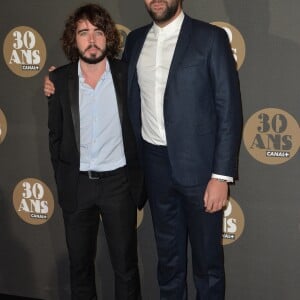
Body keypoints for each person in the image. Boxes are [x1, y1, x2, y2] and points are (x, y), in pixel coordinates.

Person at [44, 1, 243, 299]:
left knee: (208, 264)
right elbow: (100, 76)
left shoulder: (209, 38)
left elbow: (229, 109)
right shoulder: (136, 41)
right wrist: (56, 79)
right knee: (168, 261)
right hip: (154, 167)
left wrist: (221, 175)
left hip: (201, 171)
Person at [46, 4, 145, 300]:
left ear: (108, 37)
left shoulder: (127, 75)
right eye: (83, 32)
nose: (91, 40)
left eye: (98, 32)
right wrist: (64, 179)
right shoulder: (60, 80)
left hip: (118, 184)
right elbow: (55, 137)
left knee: (125, 268)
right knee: (79, 268)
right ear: (72, 39)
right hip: (77, 185)